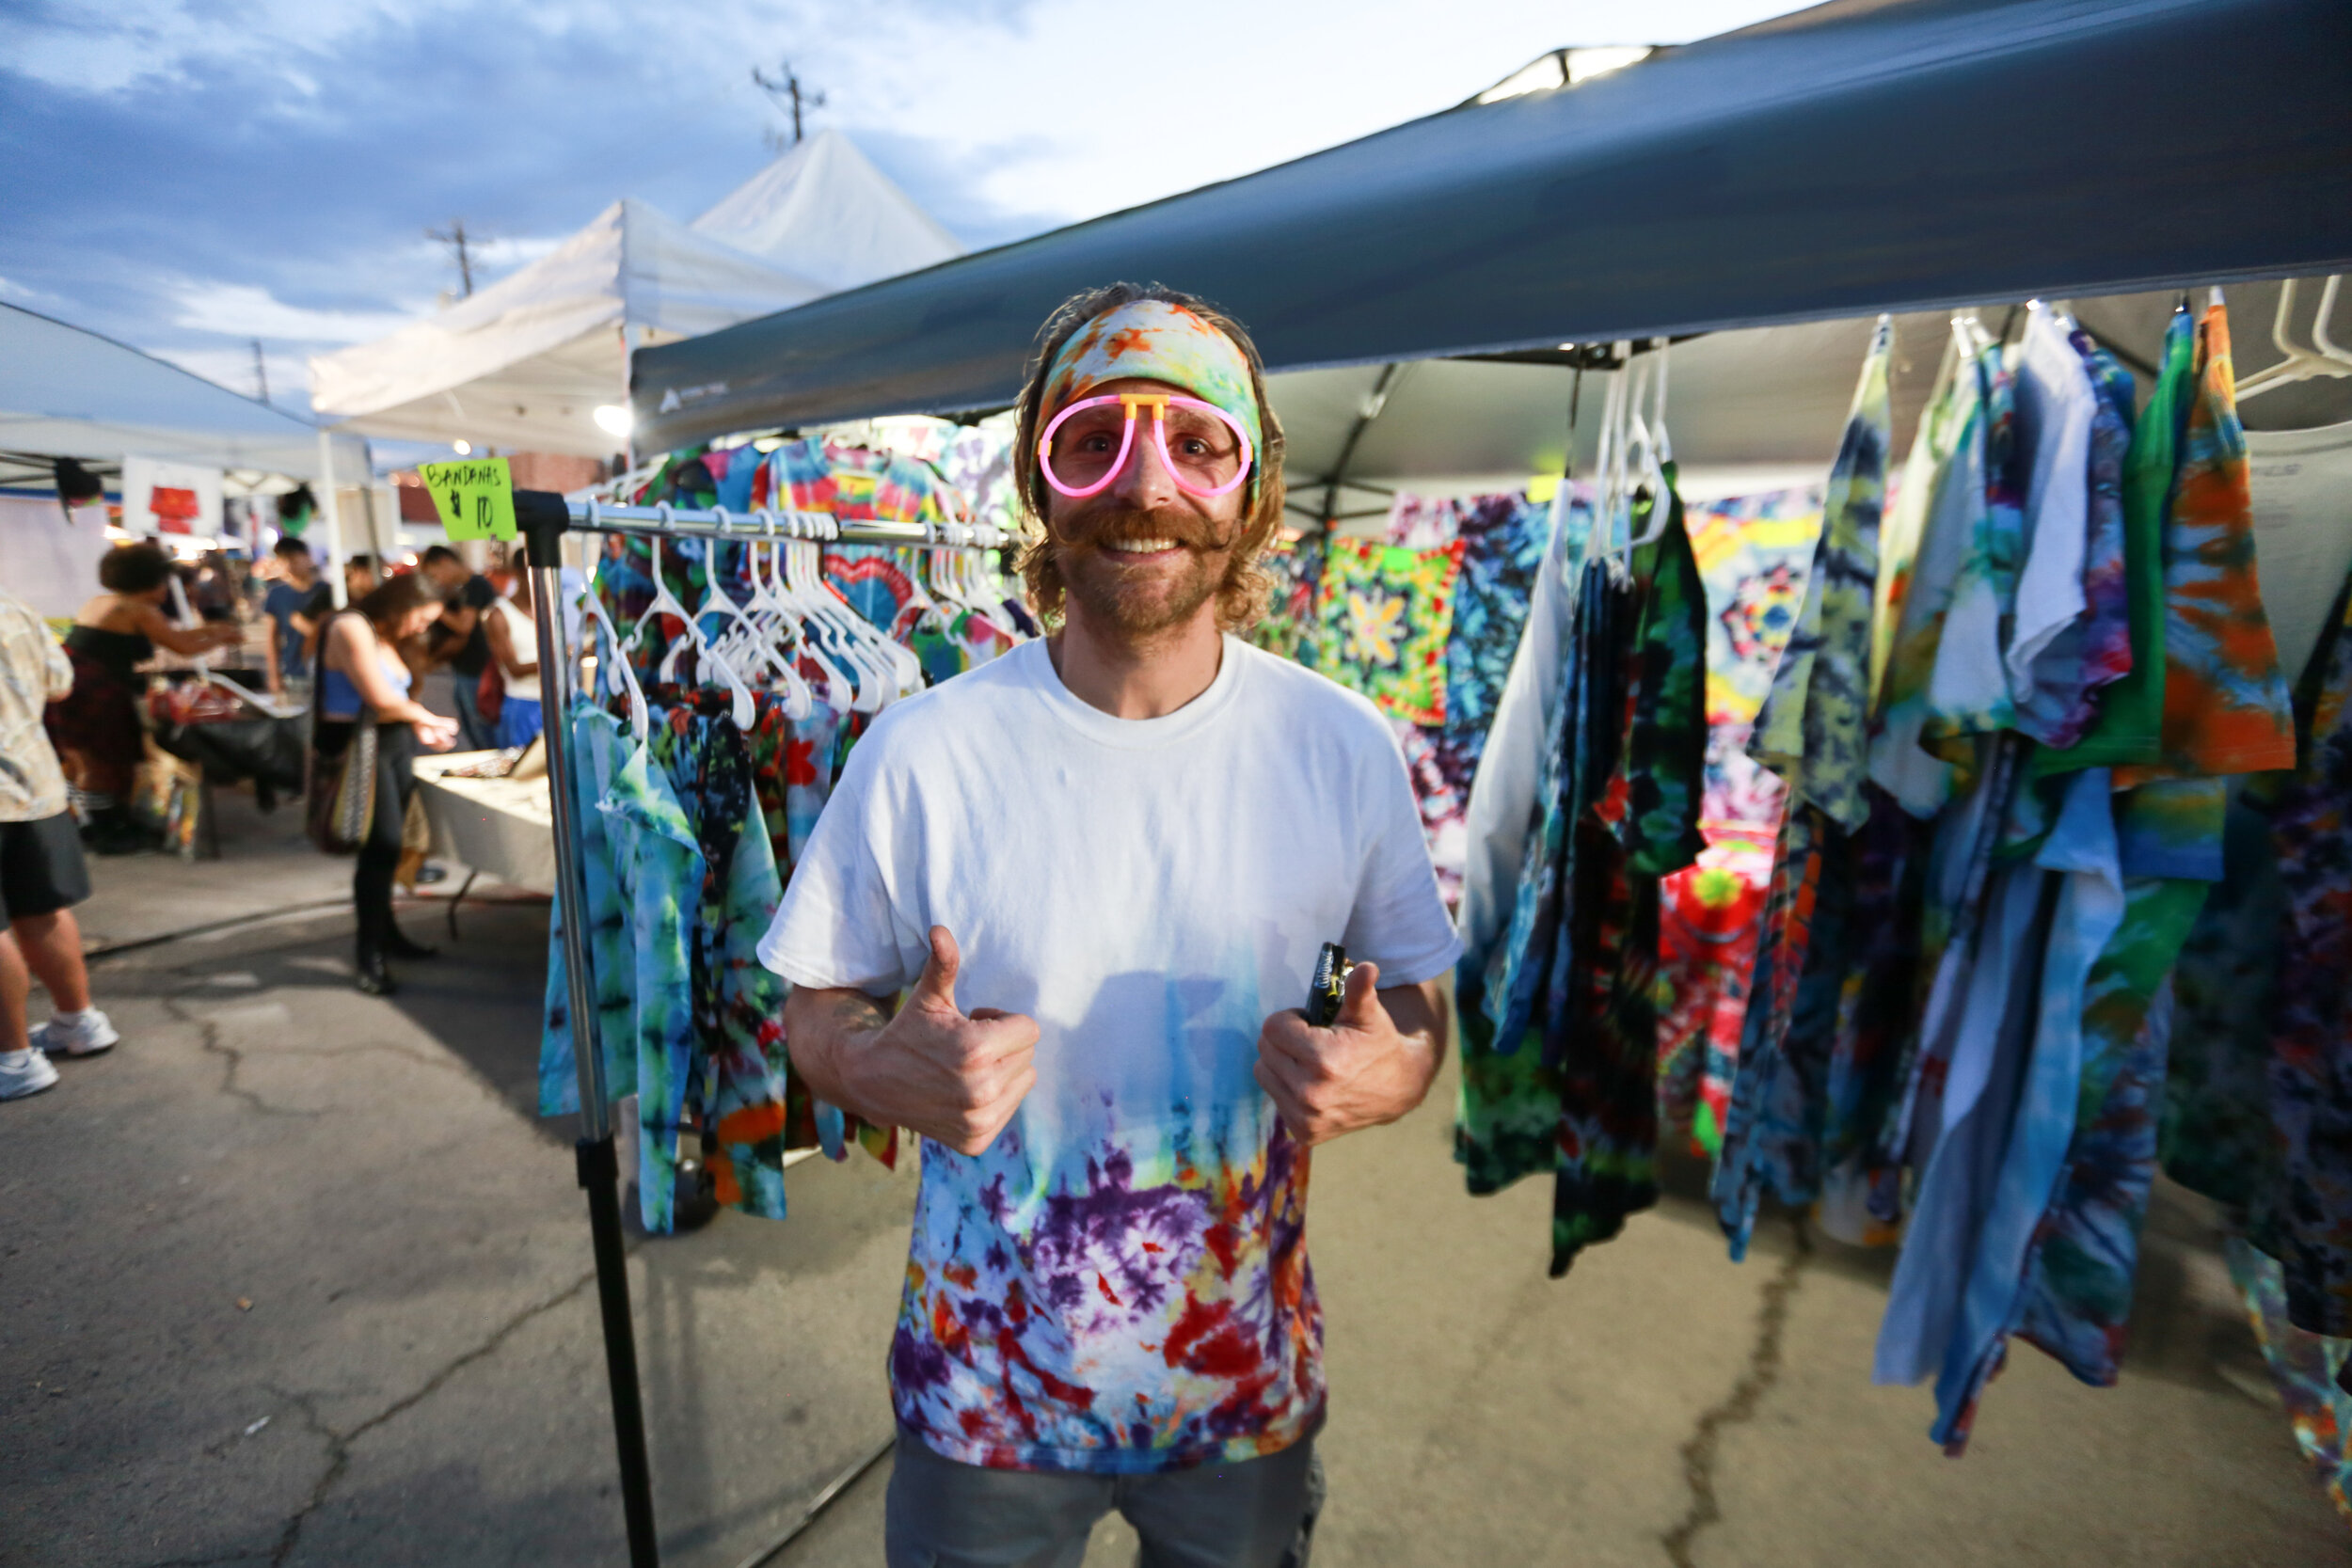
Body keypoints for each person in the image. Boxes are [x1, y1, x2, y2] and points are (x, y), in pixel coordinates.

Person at [766, 285, 1458, 1568]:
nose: (1146, 485)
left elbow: (1417, 1003)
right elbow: (814, 1009)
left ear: (1252, 489)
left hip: (1242, 1389)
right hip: (985, 1399)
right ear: (1041, 482)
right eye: (1094, 439)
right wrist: (869, 1064)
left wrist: (1395, 1065)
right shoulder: (921, 750)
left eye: (1197, 444)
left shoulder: (1344, 747)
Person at [0, 583, 118, 1101]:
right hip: (36, 783)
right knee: (41, 908)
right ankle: (79, 1021)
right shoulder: (14, 605)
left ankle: (14, 1058)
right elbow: (60, 684)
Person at [46, 542, 242, 854]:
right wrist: (221, 635)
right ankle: (105, 828)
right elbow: (181, 646)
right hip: (95, 690)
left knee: (76, 758)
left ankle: (79, 823)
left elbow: (177, 638)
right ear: (150, 581)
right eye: (165, 580)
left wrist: (213, 631)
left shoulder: (102, 602)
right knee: (101, 762)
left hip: (72, 684)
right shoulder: (138, 610)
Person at [315, 573, 457, 995]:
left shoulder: (392, 637)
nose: (422, 628)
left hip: (390, 743)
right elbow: (379, 699)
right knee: (381, 846)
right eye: (420, 618)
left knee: (390, 848)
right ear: (400, 604)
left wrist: (419, 727)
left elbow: (396, 705)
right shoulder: (350, 625)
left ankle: (386, 935)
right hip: (360, 747)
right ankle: (368, 954)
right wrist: (428, 719)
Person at [418, 545, 501, 751]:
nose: (436, 580)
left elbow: (464, 626)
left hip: (479, 669)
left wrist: (438, 610)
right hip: (465, 668)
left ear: (445, 562)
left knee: (481, 725)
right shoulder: (461, 589)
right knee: (472, 724)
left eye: (435, 574)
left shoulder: (476, 585)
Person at [484, 548, 543, 750]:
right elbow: (513, 668)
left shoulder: (548, 608)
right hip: (522, 704)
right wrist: (557, 659)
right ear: (518, 573)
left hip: (552, 702)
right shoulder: (499, 614)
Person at [262, 536, 323, 697]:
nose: (290, 566)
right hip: (293, 674)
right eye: (284, 561)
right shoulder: (276, 594)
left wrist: (305, 626)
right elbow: (272, 638)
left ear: (308, 558)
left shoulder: (327, 592)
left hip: (325, 673)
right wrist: (274, 676)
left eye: (294, 560)